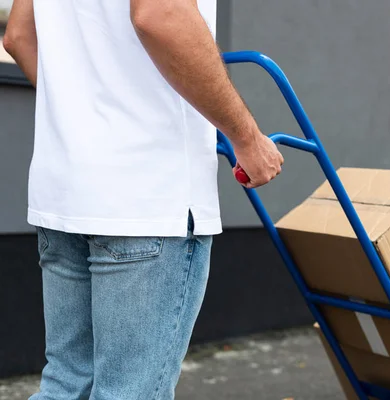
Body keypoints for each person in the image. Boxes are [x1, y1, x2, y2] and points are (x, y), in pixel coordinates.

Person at [4, 0, 284, 398]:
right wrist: (247, 138)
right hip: (147, 198)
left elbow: (18, 35)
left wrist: (81, 116)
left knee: (67, 385)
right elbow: (161, 13)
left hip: (64, 191)